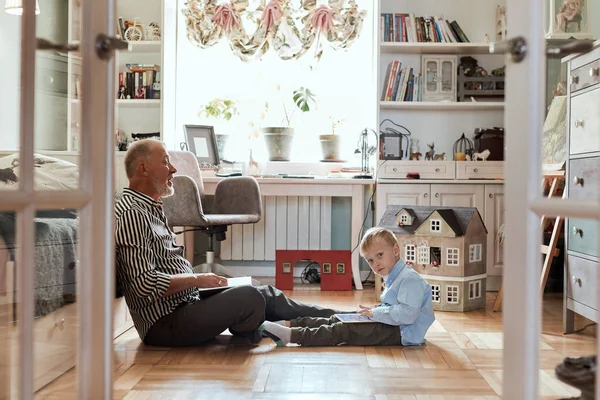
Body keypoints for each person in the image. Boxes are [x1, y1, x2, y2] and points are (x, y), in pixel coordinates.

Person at [114, 139, 344, 347]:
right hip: (166, 323)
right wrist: (197, 279)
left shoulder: (150, 207)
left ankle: (341, 317)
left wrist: (200, 284)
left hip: (187, 302)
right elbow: (143, 285)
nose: (173, 169)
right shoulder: (133, 214)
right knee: (249, 297)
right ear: (143, 168)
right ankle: (273, 328)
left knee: (261, 290)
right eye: (165, 162)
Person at [259, 227, 435, 347]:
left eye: (380, 255)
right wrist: (376, 311)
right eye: (371, 260)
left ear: (396, 250)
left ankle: (292, 336)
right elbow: (394, 308)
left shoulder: (409, 279)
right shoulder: (396, 276)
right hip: (393, 324)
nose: (376, 263)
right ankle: (288, 324)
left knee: (344, 330)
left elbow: (408, 315)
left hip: (402, 333)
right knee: (339, 317)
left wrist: (376, 313)